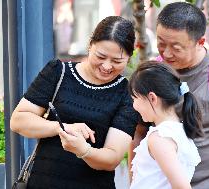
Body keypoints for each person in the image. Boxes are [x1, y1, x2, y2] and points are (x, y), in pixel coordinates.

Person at [129, 2, 209, 189]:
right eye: (161, 43)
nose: (166, 53)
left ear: (200, 42)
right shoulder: (154, 72)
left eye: (176, 47)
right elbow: (138, 133)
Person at [10, 16, 139, 189]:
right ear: (90, 45)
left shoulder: (127, 93)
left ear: (129, 58)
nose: (107, 66)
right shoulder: (58, 72)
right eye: (101, 56)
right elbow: (18, 121)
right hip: (43, 182)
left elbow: (112, 158)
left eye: (117, 61)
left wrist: (83, 150)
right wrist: (62, 128)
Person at [129, 61, 203, 189]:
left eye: (135, 98)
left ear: (152, 98)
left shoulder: (160, 138)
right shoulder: (178, 131)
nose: (134, 105)